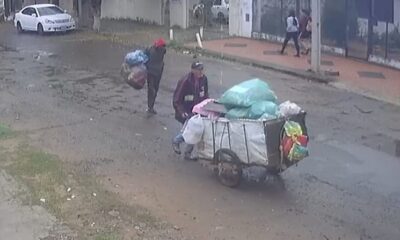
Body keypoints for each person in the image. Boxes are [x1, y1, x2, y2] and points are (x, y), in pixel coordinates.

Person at [172, 61, 209, 161]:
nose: (201, 72)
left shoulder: (204, 79)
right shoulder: (185, 81)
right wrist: (181, 111)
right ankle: (176, 141)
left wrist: (206, 106)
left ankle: (187, 153)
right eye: (198, 70)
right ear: (193, 70)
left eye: (202, 69)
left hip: (198, 109)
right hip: (187, 110)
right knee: (192, 130)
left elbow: (205, 94)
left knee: (196, 131)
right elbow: (177, 99)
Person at [145, 38, 167, 115]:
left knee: (151, 89)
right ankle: (151, 107)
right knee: (154, 89)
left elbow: (145, 55)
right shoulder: (163, 50)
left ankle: (150, 107)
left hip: (151, 72)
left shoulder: (150, 49)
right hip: (157, 73)